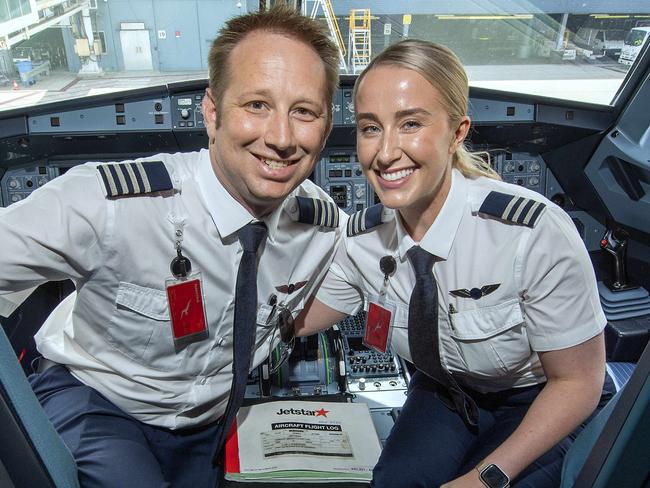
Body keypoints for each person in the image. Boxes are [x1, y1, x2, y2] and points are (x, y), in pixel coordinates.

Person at [0, 6, 344, 488]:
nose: (281, 138)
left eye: (303, 112)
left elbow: (384, 279)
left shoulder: (325, 225)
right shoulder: (111, 203)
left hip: (208, 423)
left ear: (326, 127)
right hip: (99, 400)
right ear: (212, 111)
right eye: (256, 105)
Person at [295, 39, 614, 488]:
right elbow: (297, 317)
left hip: (543, 396)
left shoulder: (532, 234)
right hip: (447, 390)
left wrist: (485, 479)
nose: (385, 153)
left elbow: (578, 383)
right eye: (370, 128)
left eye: (410, 124)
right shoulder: (362, 240)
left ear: (457, 132)